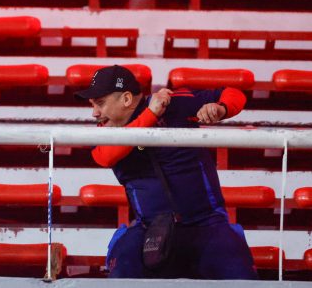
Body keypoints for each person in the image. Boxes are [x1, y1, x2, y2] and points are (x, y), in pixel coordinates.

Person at [74, 65, 258, 279]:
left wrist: (220, 109)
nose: (95, 113)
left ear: (126, 99)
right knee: (123, 269)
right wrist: (152, 115)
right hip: (149, 229)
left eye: (100, 103)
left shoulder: (175, 103)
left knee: (240, 276)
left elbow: (233, 93)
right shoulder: (104, 132)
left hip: (206, 223)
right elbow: (104, 157)